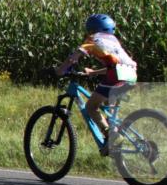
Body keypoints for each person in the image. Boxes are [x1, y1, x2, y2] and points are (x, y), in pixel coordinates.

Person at [58, 14, 138, 155]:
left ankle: (111, 136)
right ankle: (112, 139)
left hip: (116, 76)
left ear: (91, 29)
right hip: (131, 74)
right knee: (108, 105)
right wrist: (93, 72)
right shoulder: (114, 41)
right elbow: (116, 64)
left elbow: (74, 57)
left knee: (91, 106)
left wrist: (60, 70)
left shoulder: (93, 39)